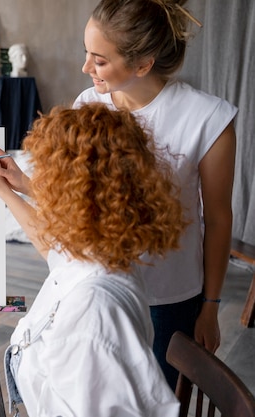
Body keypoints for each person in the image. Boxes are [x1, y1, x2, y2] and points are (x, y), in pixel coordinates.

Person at [0, 103, 184, 416]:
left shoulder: (91, 315)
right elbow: (58, 253)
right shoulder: (107, 251)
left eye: (46, 173)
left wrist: (15, 189)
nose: (39, 179)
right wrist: (10, 189)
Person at [74, 0, 238, 389]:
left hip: (169, 298)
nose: (85, 69)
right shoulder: (86, 106)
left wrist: (210, 307)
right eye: (86, 54)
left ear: (143, 64)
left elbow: (217, 219)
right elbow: (75, 198)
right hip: (98, 288)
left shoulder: (207, 119)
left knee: (160, 399)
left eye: (98, 60)